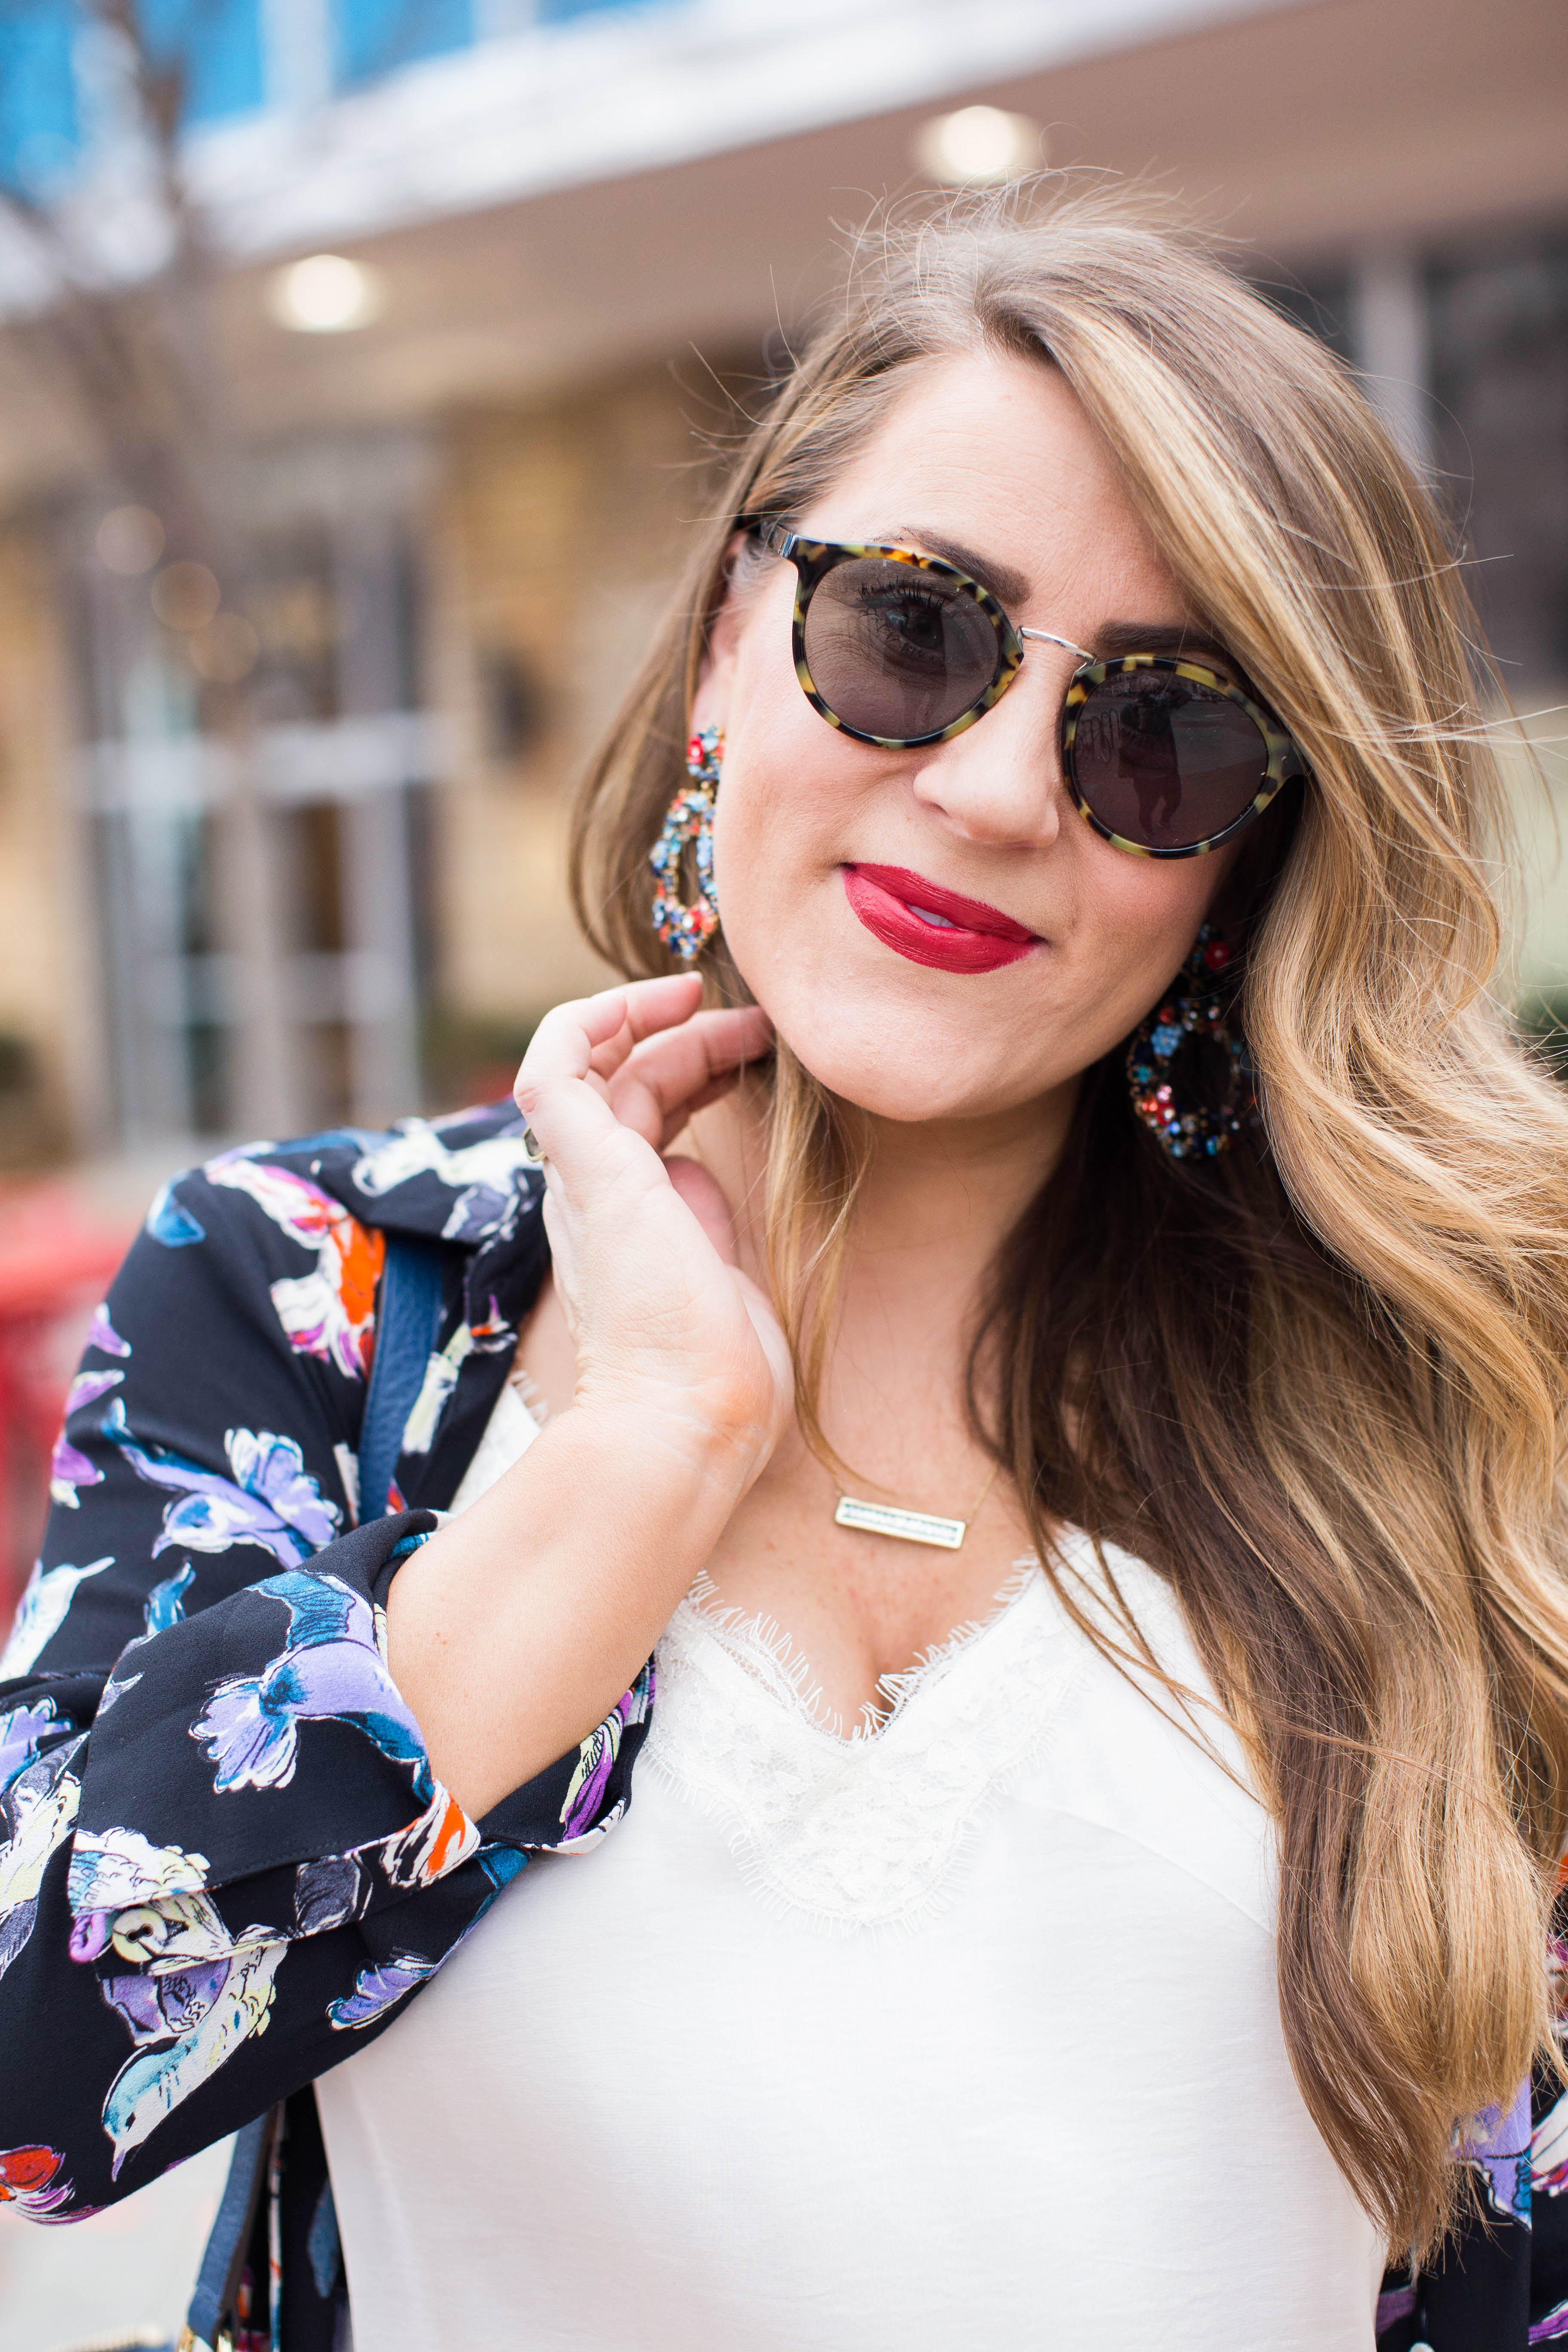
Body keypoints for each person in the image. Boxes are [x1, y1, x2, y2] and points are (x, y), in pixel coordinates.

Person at [1, 183, 1565, 2352]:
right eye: (915, 634)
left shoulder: (1443, 1385)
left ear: (1250, 857)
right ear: (737, 631)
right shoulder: (313, 1290)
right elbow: (39, 2088)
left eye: (1163, 733)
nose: (1009, 790)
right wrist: (641, 1445)